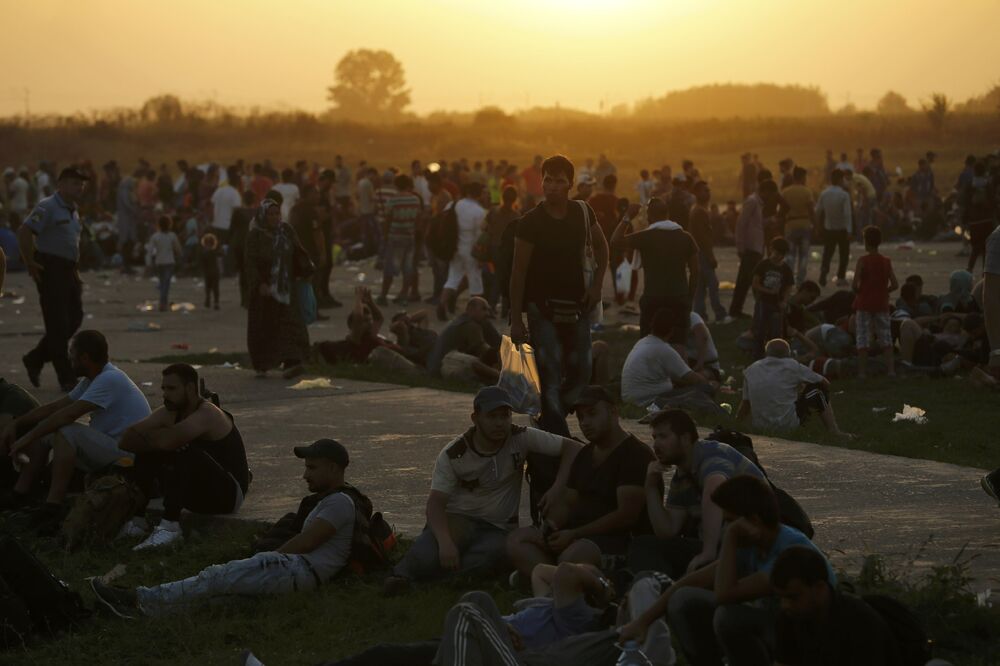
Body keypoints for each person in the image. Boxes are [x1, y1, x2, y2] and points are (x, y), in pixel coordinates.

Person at [91, 439, 355, 617]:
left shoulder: (341, 502)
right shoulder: (330, 501)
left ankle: (136, 597)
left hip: (297, 571)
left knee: (215, 577)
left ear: (333, 468)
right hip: (296, 572)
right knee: (217, 599)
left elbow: (307, 542)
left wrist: (269, 558)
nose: (305, 475)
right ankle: (141, 609)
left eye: (312, 468)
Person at [619, 475, 837, 666]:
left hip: (808, 634)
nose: (725, 529)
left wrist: (731, 538)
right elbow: (692, 582)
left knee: (729, 617)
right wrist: (642, 622)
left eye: (730, 522)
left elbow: (725, 594)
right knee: (682, 598)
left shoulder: (788, 551)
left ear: (753, 521)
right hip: (780, 627)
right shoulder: (753, 544)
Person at [382, 387, 581, 595]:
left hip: (499, 527)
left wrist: (558, 488)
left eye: (504, 416)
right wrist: (445, 542)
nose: (499, 423)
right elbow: (435, 503)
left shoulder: (520, 437)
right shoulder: (454, 454)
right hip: (459, 519)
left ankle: (430, 586)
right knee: (429, 553)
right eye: (491, 416)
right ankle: (399, 576)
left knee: (487, 557)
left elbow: (573, 448)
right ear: (475, 418)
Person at [0, 331, 151, 528]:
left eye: (72, 353)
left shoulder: (110, 379)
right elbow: (55, 408)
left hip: (127, 456)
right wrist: (16, 424)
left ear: (85, 357)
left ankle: (51, 507)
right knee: (46, 431)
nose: (69, 358)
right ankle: (20, 494)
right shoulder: (92, 380)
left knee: (66, 430)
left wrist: (25, 438)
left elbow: (68, 415)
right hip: (108, 447)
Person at [506, 386, 653, 580]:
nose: (585, 423)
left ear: (613, 412)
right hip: (576, 534)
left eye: (592, 414)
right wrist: (551, 526)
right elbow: (569, 501)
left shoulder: (636, 455)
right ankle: (556, 580)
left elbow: (626, 516)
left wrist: (575, 534)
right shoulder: (585, 454)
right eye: (581, 417)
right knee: (516, 541)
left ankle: (548, 578)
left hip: (615, 540)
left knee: (572, 556)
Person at [509, 155, 608, 437]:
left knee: (582, 373)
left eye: (559, 181)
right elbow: (518, 274)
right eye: (547, 180)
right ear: (541, 182)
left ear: (570, 184)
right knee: (550, 378)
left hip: (578, 305)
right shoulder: (530, 222)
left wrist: (597, 287)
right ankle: (559, 439)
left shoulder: (583, 213)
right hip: (542, 310)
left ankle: (549, 416)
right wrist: (517, 320)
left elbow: (602, 248)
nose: (552, 186)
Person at [116, 363, 250, 550]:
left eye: (171, 388)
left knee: (182, 450)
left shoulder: (207, 413)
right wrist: (160, 439)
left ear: (189, 388)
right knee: (150, 452)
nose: (165, 394)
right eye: (163, 388)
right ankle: (138, 521)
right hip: (196, 493)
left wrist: (155, 437)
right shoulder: (170, 412)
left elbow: (168, 442)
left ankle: (170, 527)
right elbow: (126, 440)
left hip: (227, 495)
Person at [627, 408, 766, 579]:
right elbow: (667, 531)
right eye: (654, 438)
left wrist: (707, 552)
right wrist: (650, 487)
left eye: (663, 437)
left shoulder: (713, 454)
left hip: (750, 547)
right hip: (718, 546)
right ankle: (657, 589)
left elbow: (713, 491)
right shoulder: (682, 476)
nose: (656, 445)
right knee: (644, 545)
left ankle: (661, 591)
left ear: (685, 439)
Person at [18, 167, 88, 392]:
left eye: (81, 184)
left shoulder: (73, 209)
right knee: (57, 324)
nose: (80, 187)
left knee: (75, 318)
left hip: (69, 270)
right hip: (51, 267)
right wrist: (29, 262)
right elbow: (25, 231)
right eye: (75, 183)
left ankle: (36, 358)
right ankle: (66, 377)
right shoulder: (47, 206)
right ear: (62, 184)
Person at [771, 546, 901, 666]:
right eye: (781, 598)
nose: (785, 605)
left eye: (793, 597)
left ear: (819, 588)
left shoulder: (861, 623)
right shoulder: (789, 618)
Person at [610, 197, 698, 338]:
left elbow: (614, 241)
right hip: (679, 297)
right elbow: (695, 272)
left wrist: (627, 217)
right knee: (679, 342)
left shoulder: (645, 237)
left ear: (649, 216)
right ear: (667, 214)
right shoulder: (686, 238)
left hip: (653, 298)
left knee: (649, 341)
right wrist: (689, 299)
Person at [244, 199, 310, 379]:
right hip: (265, 291)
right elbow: (250, 262)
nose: (274, 217)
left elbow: (298, 250)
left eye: (277, 214)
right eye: (270, 214)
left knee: (290, 323)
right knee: (264, 326)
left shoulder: (286, 230)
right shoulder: (255, 236)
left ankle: (292, 361)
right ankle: (262, 363)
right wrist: (259, 284)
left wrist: (306, 269)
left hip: (286, 288)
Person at [739, 339, 853, 438]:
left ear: (766, 353)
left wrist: (736, 422)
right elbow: (825, 383)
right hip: (787, 426)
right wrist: (801, 387)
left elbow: (745, 404)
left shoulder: (750, 370)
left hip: (760, 427)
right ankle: (834, 431)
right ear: (788, 354)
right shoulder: (792, 365)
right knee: (818, 390)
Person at [621, 309, 716, 411]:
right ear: (672, 331)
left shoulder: (642, 342)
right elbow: (695, 379)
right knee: (705, 389)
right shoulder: (664, 349)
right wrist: (710, 382)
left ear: (652, 327)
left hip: (630, 398)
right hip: (650, 399)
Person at [852, 226, 898, 378]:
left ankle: (862, 372)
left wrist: (861, 292)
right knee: (886, 337)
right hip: (881, 304)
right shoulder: (886, 261)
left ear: (865, 242)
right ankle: (891, 371)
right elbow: (895, 284)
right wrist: (885, 291)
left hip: (864, 303)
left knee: (863, 338)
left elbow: (855, 284)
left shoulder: (863, 261)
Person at [730, 180, 779, 319]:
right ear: (766, 191)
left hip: (756, 248)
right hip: (750, 248)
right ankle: (738, 310)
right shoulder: (752, 202)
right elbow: (741, 224)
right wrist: (740, 246)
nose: (771, 198)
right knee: (748, 281)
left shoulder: (757, 204)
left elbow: (755, 224)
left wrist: (769, 221)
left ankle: (739, 309)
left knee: (748, 281)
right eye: (771, 194)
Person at [437, 182, 487, 321]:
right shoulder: (479, 211)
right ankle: (476, 314)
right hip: (471, 249)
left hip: (455, 248)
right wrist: (481, 255)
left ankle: (442, 305)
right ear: (477, 194)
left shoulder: (455, 205)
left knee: (452, 278)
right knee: (475, 281)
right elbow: (479, 236)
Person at [426, 296, 501, 376]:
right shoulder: (470, 325)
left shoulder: (461, 321)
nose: (487, 313)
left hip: (442, 363)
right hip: (444, 364)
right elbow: (484, 350)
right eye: (483, 309)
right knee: (475, 363)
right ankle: (498, 376)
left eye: (488, 310)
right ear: (470, 309)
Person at [379, 174, 423, 307]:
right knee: (408, 268)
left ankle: (383, 296)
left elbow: (388, 219)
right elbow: (419, 220)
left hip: (395, 236)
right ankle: (403, 296)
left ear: (397, 185)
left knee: (390, 268)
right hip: (409, 237)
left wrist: (385, 236)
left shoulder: (394, 200)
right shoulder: (415, 200)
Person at [689, 181, 730, 323]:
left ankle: (699, 315)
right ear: (697, 193)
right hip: (703, 254)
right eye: (705, 191)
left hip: (698, 254)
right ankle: (720, 314)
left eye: (708, 190)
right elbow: (703, 238)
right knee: (713, 284)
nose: (708, 193)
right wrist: (710, 256)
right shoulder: (699, 212)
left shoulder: (697, 210)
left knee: (700, 288)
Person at [751, 237, 794, 360]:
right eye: (776, 253)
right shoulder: (763, 265)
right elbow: (755, 284)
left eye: (781, 254)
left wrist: (785, 301)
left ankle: (775, 356)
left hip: (777, 303)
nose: (778, 256)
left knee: (776, 331)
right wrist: (768, 291)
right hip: (763, 302)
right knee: (760, 329)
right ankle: (758, 355)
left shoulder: (786, 269)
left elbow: (788, 286)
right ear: (771, 249)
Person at [815, 169, 853, 287]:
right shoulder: (844, 195)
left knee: (827, 253)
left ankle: (823, 273)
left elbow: (818, 211)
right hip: (842, 230)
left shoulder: (824, 193)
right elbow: (847, 214)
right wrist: (849, 230)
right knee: (844, 254)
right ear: (841, 180)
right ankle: (840, 277)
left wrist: (817, 226)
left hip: (829, 229)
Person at [781, 167, 816, 285]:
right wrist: (815, 224)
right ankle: (800, 280)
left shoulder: (785, 192)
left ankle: (789, 279)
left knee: (790, 255)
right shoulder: (807, 191)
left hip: (790, 225)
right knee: (804, 255)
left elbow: (782, 211)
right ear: (802, 177)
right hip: (805, 224)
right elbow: (811, 209)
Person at [148, 216, 183, 312]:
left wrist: (149, 263)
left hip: (159, 262)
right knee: (166, 283)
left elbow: (150, 251)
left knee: (163, 282)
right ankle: (163, 303)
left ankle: (163, 302)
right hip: (169, 262)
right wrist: (180, 257)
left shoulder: (155, 236)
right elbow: (178, 249)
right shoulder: (172, 236)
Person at [210, 167, 242, 246]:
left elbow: (211, 205)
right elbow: (236, 212)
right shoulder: (235, 194)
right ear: (237, 183)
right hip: (227, 228)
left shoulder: (219, 190)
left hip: (215, 225)